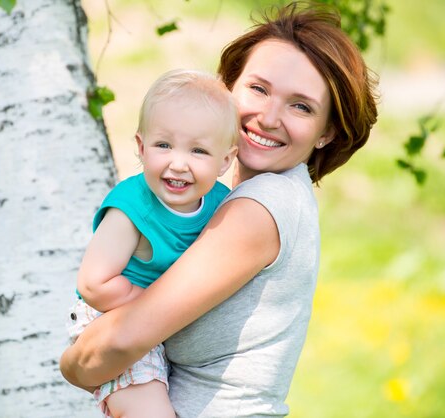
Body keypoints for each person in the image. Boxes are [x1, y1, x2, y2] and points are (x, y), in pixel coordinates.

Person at [61, 2, 378, 417]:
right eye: (258, 89)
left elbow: (119, 342)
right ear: (226, 89)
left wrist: (72, 363)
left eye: (300, 106)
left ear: (327, 132)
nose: (267, 117)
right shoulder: (240, 199)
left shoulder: (263, 206)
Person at [66, 69, 239, 417]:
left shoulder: (224, 203)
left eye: (199, 151)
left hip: (160, 326)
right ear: (142, 147)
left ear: (225, 161)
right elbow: (93, 283)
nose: (178, 163)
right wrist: (156, 305)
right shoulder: (132, 208)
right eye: (164, 145)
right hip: (113, 319)